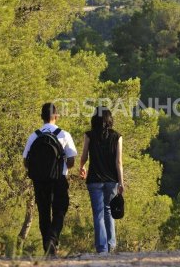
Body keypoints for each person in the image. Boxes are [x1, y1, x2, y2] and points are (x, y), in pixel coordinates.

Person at [22, 103, 77, 256]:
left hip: (39, 181)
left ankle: (48, 248)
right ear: (56, 116)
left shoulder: (34, 135)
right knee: (60, 210)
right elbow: (71, 161)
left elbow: (26, 161)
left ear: (42, 117)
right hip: (59, 178)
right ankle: (52, 239)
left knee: (43, 212)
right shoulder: (64, 134)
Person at [79, 106, 124, 254]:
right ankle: (111, 245)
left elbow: (84, 156)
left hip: (94, 179)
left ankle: (102, 249)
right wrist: (121, 182)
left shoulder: (89, 135)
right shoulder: (117, 136)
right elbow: (119, 162)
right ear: (110, 120)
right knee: (108, 210)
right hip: (112, 180)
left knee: (98, 213)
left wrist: (82, 166)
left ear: (95, 119)